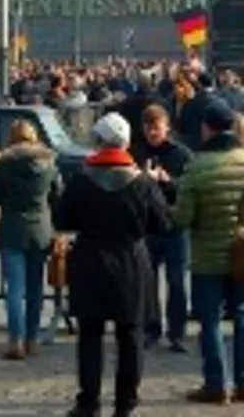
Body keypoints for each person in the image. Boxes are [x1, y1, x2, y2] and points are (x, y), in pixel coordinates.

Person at [55, 112, 172, 417]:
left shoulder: (81, 181)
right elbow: (162, 223)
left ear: (98, 142)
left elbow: (62, 219)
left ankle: (88, 401)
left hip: (90, 261)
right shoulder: (143, 183)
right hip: (131, 261)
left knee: (90, 336)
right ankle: (125, 403)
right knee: (130, 337)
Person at [175, 99, 244, 405]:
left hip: (208, 255)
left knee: (211, 320)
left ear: (207, 128)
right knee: (242, 316)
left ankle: (216, 384)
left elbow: (183, 218)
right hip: (243, 252)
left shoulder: (197, 167)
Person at [0, 118, 61, 360]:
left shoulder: (5, 163)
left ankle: (15, 340)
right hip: (40, 228)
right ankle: (32, 339)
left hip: (12, 227)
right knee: (35, 287)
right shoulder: (49, 162)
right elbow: (58, 195)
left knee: (14, 288)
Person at [137, 104, 192, 352]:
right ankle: (151, 329)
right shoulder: (137, 152)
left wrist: (168, 181)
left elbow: (190, 188)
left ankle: (177, 332)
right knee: (148, 282)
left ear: (166, 127)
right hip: (147, 227)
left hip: (175, 226)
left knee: (177, 282)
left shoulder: (181, 154)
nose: (152, 133)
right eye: (148, 128)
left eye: (156, 128)